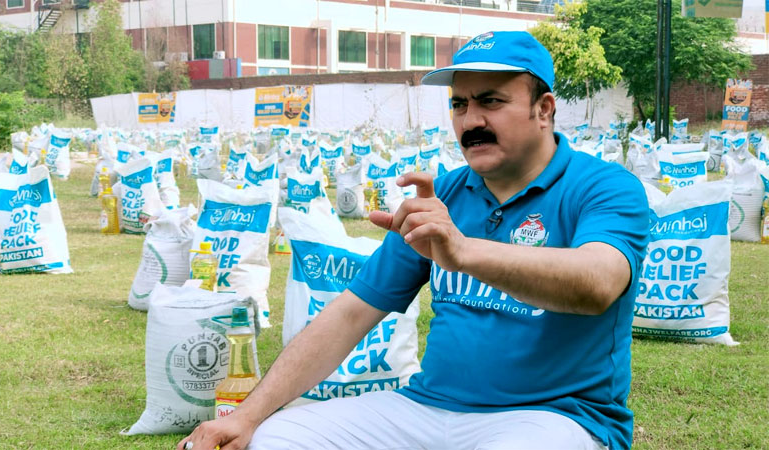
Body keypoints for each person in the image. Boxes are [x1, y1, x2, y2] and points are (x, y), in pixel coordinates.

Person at [178, 30, 649, 450]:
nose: (471, 121)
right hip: (427, 408)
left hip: (551, 420)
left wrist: (464, 252)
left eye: (491, 101)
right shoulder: (444, 195)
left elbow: (597, 283)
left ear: (543, 109)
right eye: (459, 104)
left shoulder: (603, 187)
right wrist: (248, 416)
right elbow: (350, 314)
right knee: (279, 438)